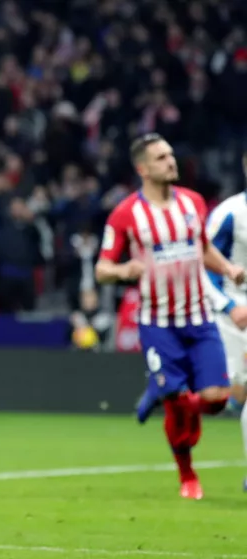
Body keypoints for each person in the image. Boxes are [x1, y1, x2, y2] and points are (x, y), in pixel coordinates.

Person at [95, 133, 245, 501]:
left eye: (171, 155)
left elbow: (203, 249)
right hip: (158, 323)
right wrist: (123, 270)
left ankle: (161, 393)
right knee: (179, 402)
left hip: (199, 317)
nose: (171, 161)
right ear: (142, 168)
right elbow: (102, 269)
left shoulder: (193, 203)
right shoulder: (126, 213)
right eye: (162, 158)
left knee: (216, 399)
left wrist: (228, 269)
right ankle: (187, 475)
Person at [203, 153, 247, 490]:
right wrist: (229, 305)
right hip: (237, 318)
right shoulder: (229, 213)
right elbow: (202, 265)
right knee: (236, 393)